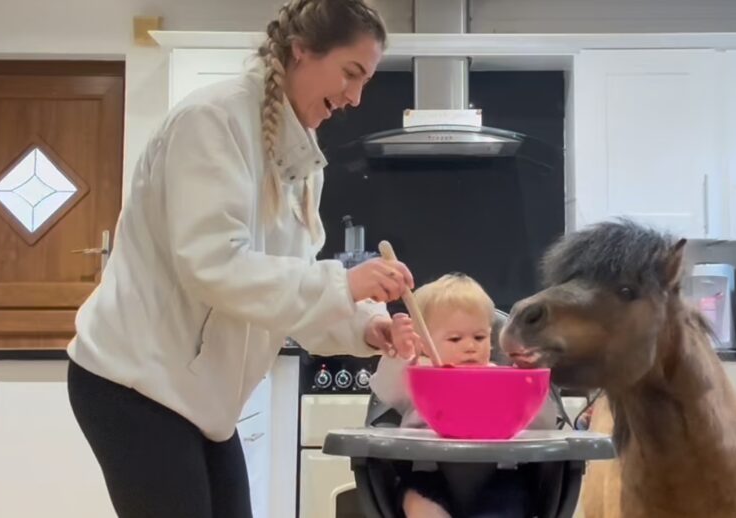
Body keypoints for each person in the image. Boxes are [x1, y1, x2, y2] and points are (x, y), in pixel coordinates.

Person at [65, 2, 414, 517]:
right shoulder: (212, 121)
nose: (356, 97)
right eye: (350, 73)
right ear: (301, 52)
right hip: (134, 381)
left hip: (198, 398)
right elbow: (215, 268)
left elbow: (282, 287)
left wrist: (364, 327)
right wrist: (344, 283)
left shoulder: (301, 158)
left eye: (365, 80)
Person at [370, 273, 558, 518]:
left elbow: (544, 424)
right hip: (428, 476)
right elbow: (386, 391)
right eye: (455, 338)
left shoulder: (504, 381)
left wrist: (530, 382)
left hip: (501, 478)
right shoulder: (420, 378)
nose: (470, 346)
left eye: (480, 337)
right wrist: (401, 356)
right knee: (418, 502)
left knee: (512, 501)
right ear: (425, 343)